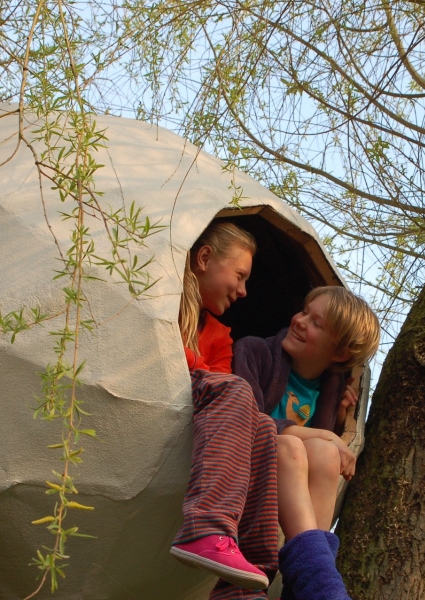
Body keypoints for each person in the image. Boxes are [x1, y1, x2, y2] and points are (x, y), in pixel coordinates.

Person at [233, 286, 380, 600]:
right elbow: (244, 421)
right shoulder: (254, 352)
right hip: (243, 470)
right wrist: (323, 434)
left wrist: (338, 423)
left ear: (339, 353)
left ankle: (302, 588)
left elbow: (320, 455)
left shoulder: (330, 390)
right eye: (304, 312)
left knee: (326, 454)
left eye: (317, 323)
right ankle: (318, 582)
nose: (299, 321)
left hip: (288, 493)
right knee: (292, 446)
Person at [170, 220, 280, 599]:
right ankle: (206, 528)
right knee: (236, 391)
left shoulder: (219, 335)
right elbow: (166, 358)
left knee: (264, 426)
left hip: (198, 411)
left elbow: (214, 381)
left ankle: (246, 581)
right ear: (203, 258)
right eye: (239, 275)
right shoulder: (161, 302)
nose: (244, 290)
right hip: (165, 403)